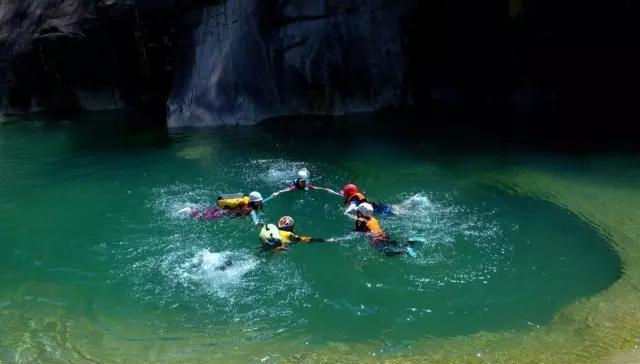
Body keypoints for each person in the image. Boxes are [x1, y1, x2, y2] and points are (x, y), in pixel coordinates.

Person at [183, 191, 264, 224]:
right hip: (224, 212)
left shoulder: (250, 203)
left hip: (225, 211)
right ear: (253, 201)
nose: (260, 202)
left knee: (207, 212)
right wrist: (255, 220)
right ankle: (189, 212)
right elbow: (233, 212)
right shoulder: (245, 207)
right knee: (206, 217)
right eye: (259, 201)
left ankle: (193, 209)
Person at [259, 216, 332, 252]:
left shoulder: (274, 230)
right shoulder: (290, 235)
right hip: (276, 250)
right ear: (290, 227)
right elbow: (307, 239)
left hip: (264, 246)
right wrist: (326, 240)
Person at [269, 168, 342, 200]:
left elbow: (319, 188)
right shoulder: (294, 186)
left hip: (302, 177)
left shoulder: (307, 184)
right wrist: (277, 193)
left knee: (307, 173)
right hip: (291, 181)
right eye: (302, 181)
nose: (304, 183)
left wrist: (328, 189)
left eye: (304, 181)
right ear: (299, 181)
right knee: (285, 181)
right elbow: (286, 190)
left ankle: (304, 170)